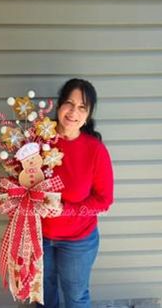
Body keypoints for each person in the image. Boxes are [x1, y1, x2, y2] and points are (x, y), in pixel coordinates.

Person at [36, 78, 114, 308]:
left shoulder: (95, 150)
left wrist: (66, 210)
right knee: (42, 294)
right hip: (39, 236)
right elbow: (21, 179)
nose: (73, 112)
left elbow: (104, 200)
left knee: (76, 297)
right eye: (69, 103)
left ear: (88, 115)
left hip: (77, 241)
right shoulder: (38, 140)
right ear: (59, 106)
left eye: (82, 107)